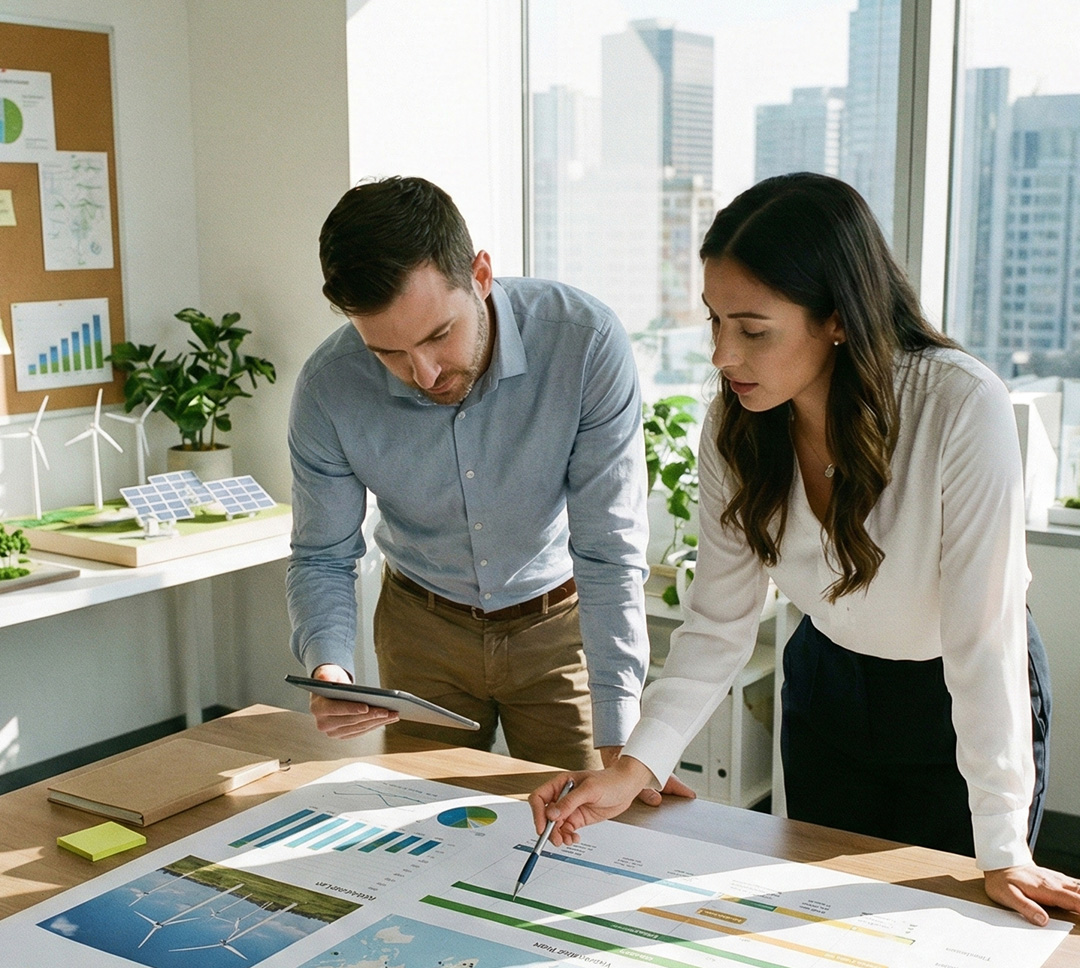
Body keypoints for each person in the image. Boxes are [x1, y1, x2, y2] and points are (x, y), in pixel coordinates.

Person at [529, 172, 1080, 926]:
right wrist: (635, 766)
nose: (724, 354)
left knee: (949, 927)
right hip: (828, 687)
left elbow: (983, 643)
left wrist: (1004, 847)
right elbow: (719, 623)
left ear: (839, 320)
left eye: (753, 329)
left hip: (955, 696)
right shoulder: (738, 426)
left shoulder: (956, 404)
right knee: (820, 919)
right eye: (715, 321)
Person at [287, 175, 660, 774]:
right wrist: (328, 667)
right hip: (420, 631)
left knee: (588, 825)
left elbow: (609, 549)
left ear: (481, 276)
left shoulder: (584, 344)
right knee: (422, 818)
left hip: (558, 628)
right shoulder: (329, 387)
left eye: (439, 335)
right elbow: (323, 554)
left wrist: (620, 715)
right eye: (389, 353)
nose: (425, 373)